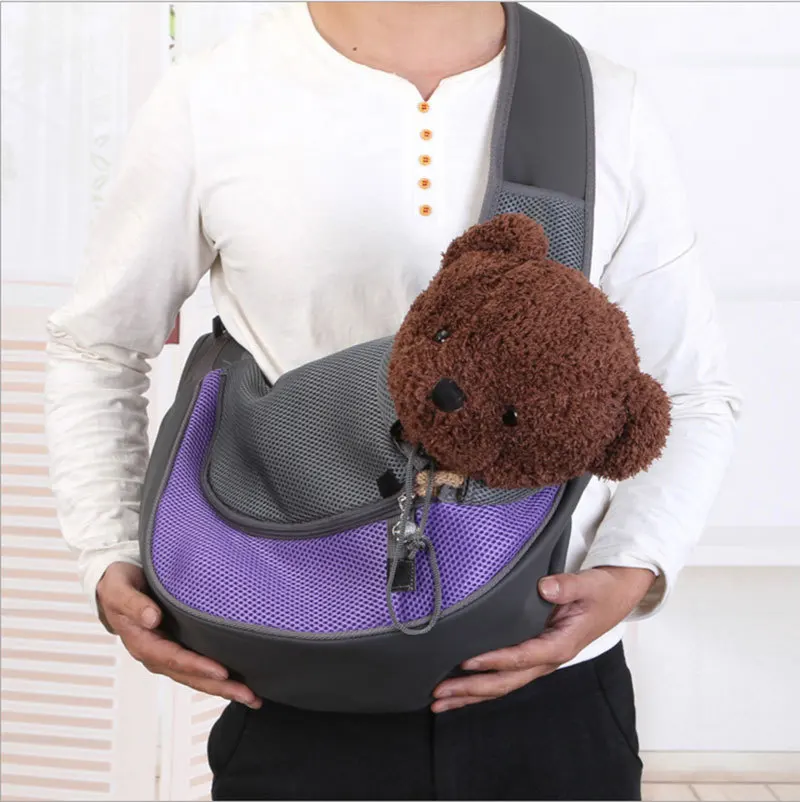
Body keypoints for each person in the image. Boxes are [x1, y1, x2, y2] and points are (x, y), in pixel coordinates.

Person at [44, 2, 740, 800]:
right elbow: (98, 346)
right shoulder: (214, 97)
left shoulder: (598, 104)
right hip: (295, 681)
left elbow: (690, 389)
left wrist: (631, 567)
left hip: (545, 686)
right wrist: (107, 550)